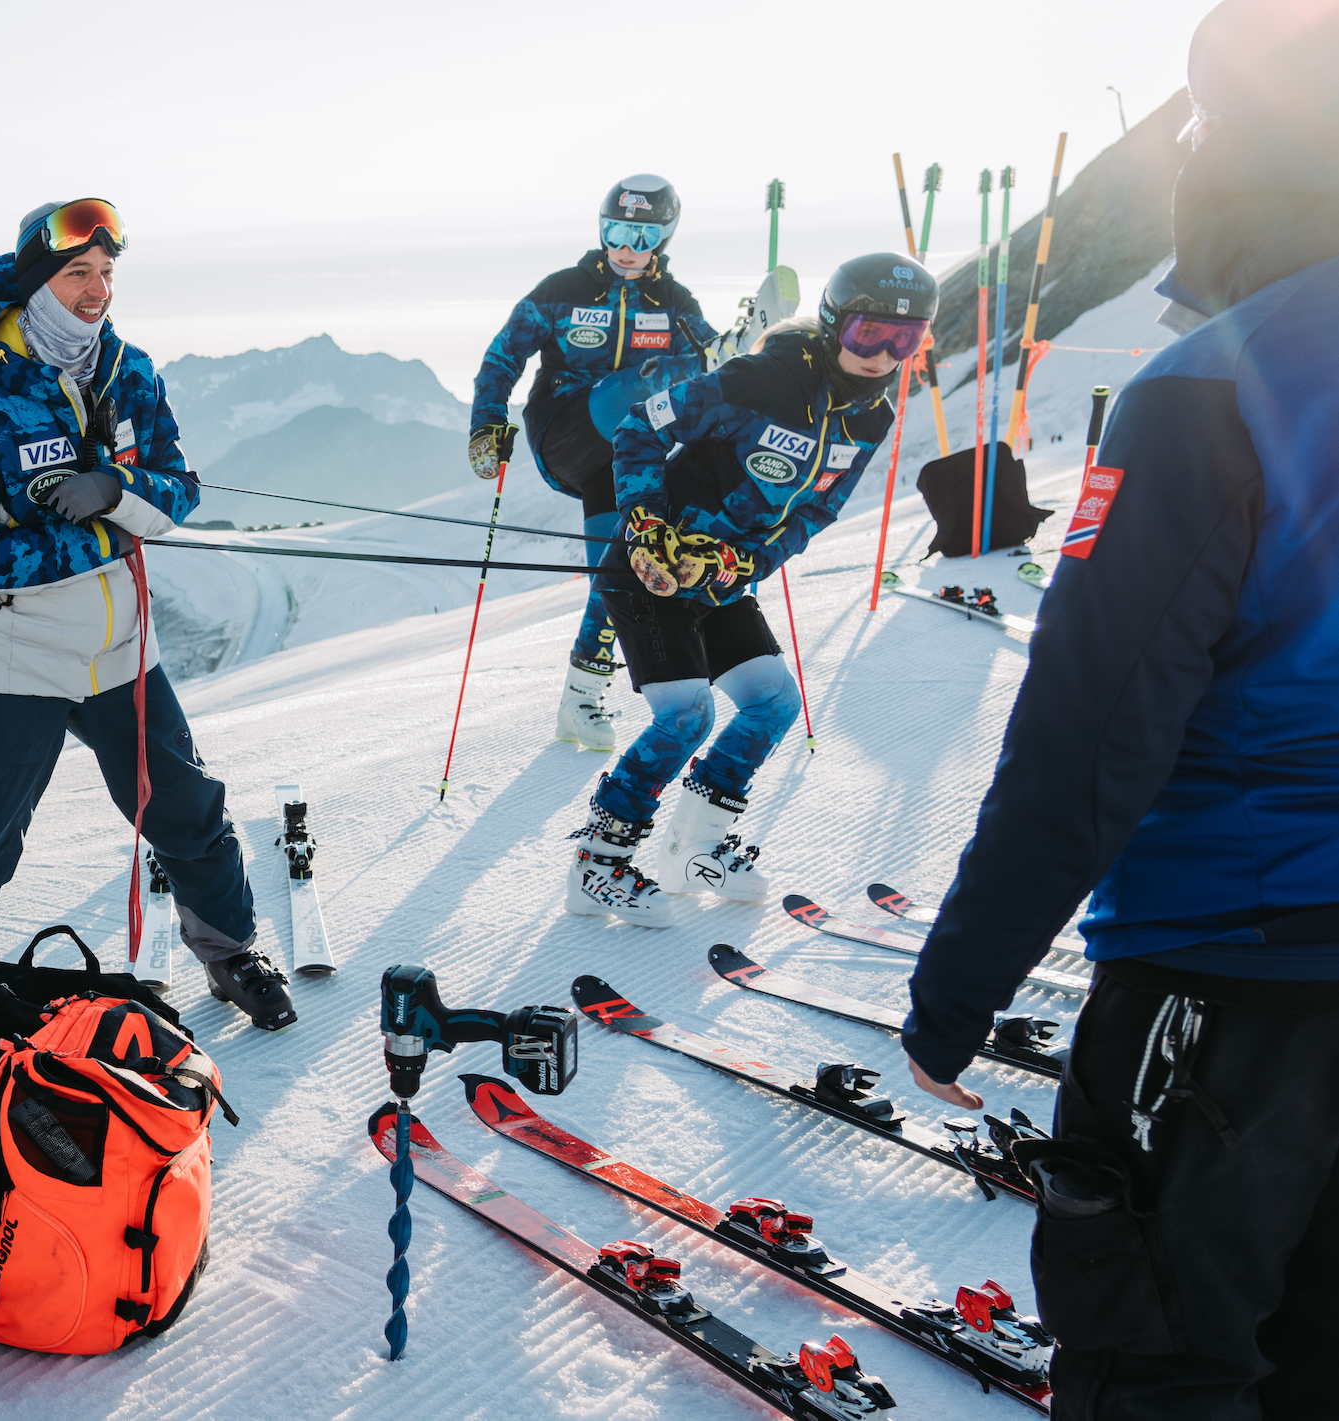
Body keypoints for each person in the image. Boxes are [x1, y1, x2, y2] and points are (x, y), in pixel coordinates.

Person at [904, 2, 1339, 1411]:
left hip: (1234, 972)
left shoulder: (1205, 389)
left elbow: (1094, 731)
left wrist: (959, 988)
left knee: (1163, 1353)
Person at [0, 198, 294, 1031]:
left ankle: (229, 948)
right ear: (35, 284)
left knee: (182, 804)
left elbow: (178, 487)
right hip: (11, 655)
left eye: (106, 272)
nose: (96, 288)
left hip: (117, 646)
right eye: (76, 273)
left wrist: (120, 490)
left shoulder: (128, 371)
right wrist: (103, 538)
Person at [563, 254, 934, 925]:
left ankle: (692, 848)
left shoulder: (870, 416)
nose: (882, 354)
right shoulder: (761, 380)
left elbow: (816, 511)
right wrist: (644, 523)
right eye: (866, 334)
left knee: (770, 704)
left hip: (717, 577)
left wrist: (743, 565)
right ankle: (596, 863)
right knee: (685, 717)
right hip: (649, 567)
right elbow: (640, 426)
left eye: (902, 340)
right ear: (831, 323)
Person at [468, 176, 721, 754]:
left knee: (616, 570)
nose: (627, 245)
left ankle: (582, 698)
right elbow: (504, 353)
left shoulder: (676, 304)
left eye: (643, 234)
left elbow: (711, 368)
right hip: (568, 429)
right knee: (639, 387)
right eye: (616, 230)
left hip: (626, 454)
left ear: (664, 238)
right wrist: (487, 421)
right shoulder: (564, 289)